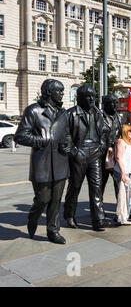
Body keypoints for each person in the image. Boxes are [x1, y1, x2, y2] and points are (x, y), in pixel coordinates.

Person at [14, 79, 70, 244]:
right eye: (59, 91)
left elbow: (66, 134)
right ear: (49, 93)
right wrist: (41, 140)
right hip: (42, 163)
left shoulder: (63, 112)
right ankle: (33, 217)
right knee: (43, 198)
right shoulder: (33, 111)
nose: (62, 94)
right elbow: (20, 136)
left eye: (62, 91)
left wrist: (67, 145)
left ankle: (53, 231)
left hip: (60, 162)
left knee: (56, 200)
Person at [64, 85, 108, 232]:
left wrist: (102, 146)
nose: (91, 99)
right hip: (79, 152)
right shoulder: (71, 114)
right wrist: (75, 152)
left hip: (95, 152)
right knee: (75, 186)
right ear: (80, 97)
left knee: (96, 186)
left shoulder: (98, 113)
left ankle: (98, 219)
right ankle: (69, 215)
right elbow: (65, 136)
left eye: (93, 96)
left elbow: (103, 131)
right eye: (88, 96)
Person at [101, 94, 125, 199]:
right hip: (102, 154)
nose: (114, 104)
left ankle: (120, 209)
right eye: (111, 102)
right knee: (100, 184)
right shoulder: (99, 118)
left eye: (116, 102)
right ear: (105, 104)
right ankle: (98, 210)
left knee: (119, 183)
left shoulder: (120, 118)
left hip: (116, 154)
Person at [114, 124, 131, 226]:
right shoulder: (121, 142)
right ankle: (122, 217)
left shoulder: (128, 142)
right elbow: (118, 158)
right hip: (123, 172)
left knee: (128, 195)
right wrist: (123, 172)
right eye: (129, 131)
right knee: (123, 195)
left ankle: (123, 216)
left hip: (128, 172)